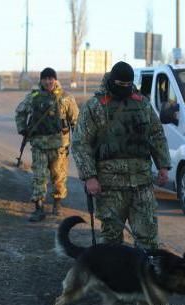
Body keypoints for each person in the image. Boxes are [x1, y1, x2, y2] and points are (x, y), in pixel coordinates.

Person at [72, 61, 171, 250]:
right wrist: (89, 177)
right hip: (109, 185)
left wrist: (163, 166)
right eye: (121, 85)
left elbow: (156, 134)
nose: (124, 89)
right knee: (111, 239)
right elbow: (81, 143)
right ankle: (114, 278)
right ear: (111, 81)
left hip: (141, 182)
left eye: (128, 85)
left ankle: (142, 279)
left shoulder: (142, 104)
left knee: (148, 238)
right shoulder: (95, 106)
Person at [15, 67, 79, 222]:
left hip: (59, 146)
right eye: (45, 79)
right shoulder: (33, 97)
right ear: (41, 80)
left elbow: (75, 120)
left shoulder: (65, 98)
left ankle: (57, 204)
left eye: (51, 78)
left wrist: (78, 138)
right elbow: (20, 112)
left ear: (55, 80)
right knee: (39, 177)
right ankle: (39, 208)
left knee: (59, 177)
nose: (48, 81)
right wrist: (22, 128)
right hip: (39, 145)